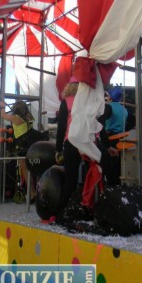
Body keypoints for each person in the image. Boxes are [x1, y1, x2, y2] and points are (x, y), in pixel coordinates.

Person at [55, 76, 82, 213]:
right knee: (89, 176)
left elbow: (61, 128)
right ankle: (86, 207)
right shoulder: (86, 101)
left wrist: (58, 149)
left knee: (70, 179)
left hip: (71, 142)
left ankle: (64, 211)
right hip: (87, 142)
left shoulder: (66, 102)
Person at [0, 100, 37, 198]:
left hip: (21, 146)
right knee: (30, 169)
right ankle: (33, 192)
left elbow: (3, 115)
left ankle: (32, 193)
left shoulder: (16, 118)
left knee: (25, 169)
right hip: (30, 144)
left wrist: (3, 106)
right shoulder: (29, 117)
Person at [104, 86, 128, 186]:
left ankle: (110, 186)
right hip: (122, 138)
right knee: (118, 166)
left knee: (109, 165)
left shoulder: (108, 107)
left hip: (109, 138)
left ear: (110, 96)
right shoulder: (124, 110)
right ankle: (117, 186)